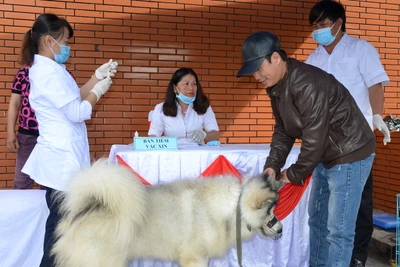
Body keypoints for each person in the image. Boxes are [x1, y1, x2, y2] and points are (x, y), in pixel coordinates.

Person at [236, 31, 375, 267]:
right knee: (318, 222)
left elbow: (314, 139)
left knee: (338, 230)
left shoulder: (307, 83)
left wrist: (291, 174)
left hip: (350, 153)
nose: (257, 76)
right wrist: (272, 166)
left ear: (276, 58)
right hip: (326, 155)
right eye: (253, 72)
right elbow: (283, 130)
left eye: (259, 68)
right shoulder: (278, 86)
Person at [19, 13, 118, 267]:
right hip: (59, 165)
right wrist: (99, 91)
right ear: (48, 41)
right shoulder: (46, 74)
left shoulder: (54, 69)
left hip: (64, 159)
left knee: (65, 231)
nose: (67, 47)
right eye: (64, 40)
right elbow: (77, 111)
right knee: (58, 235)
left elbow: (74, 97)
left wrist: (96, 77)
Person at [306, 1, 390, 266]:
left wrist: (377, 115)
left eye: (322, 23)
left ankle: (356, 258)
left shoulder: (361, 49)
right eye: (314, 26)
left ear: (339, 22)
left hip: (356, 141)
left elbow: (375, 84)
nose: (317, 30)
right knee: (325, 212)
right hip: (325, 142)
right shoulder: (314, 58)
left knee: (356, 207)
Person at [148, 68, 220, 145]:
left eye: (194, 84)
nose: (191, 88)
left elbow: (215, 135)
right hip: (172, 154)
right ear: (175, 88)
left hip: (198, 153)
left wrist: (204, 135)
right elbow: (154, 135)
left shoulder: (204, 107)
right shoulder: (161, 109)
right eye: (186, 84)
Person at [6, 66, 38, 189]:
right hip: (27, 136)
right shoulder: (24, 73)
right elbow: (14, 103)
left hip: (51, 136)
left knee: (49, 184)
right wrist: (10, 133)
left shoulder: (62, 73)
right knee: (21, 182)